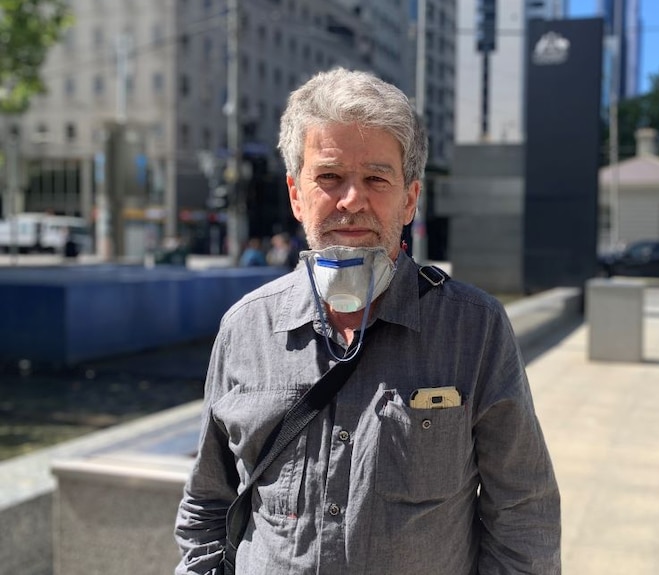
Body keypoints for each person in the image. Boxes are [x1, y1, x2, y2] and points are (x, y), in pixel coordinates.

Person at [174, 68, 561, 574]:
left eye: (376, 179)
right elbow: (208, 504)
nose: (352, 200)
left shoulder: (474, 328)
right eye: (329, 178)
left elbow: (522, 512)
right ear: (296, 195)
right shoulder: (245, 328)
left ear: (409, 198)